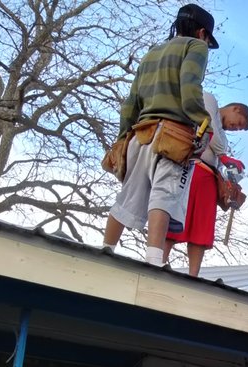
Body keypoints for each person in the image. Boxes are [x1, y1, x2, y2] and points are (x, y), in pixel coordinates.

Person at [102, 4, 219, 266]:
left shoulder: (152, 53)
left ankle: (104, 251)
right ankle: (153, 262)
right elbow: (190, 86)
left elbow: (131, 102)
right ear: (202, 33)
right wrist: (203, 122)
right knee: (163, 197)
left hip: (140, 135)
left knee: (127, 197)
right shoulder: (195, 47)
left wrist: (123, 137)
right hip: (172, 137)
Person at [165, 95, 248, 276]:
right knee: (175, 219)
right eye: (238, 123)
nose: (235, 128)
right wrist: (224, 156)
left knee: (201, 229)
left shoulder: (224, 140)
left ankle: (193, 275)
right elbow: (209, 128)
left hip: (209, 177)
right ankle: (157, 261)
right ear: (236, 108)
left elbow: (218, 151)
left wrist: (230, 180)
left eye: (239, 129)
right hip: (189, 168)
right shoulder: (209, 101)